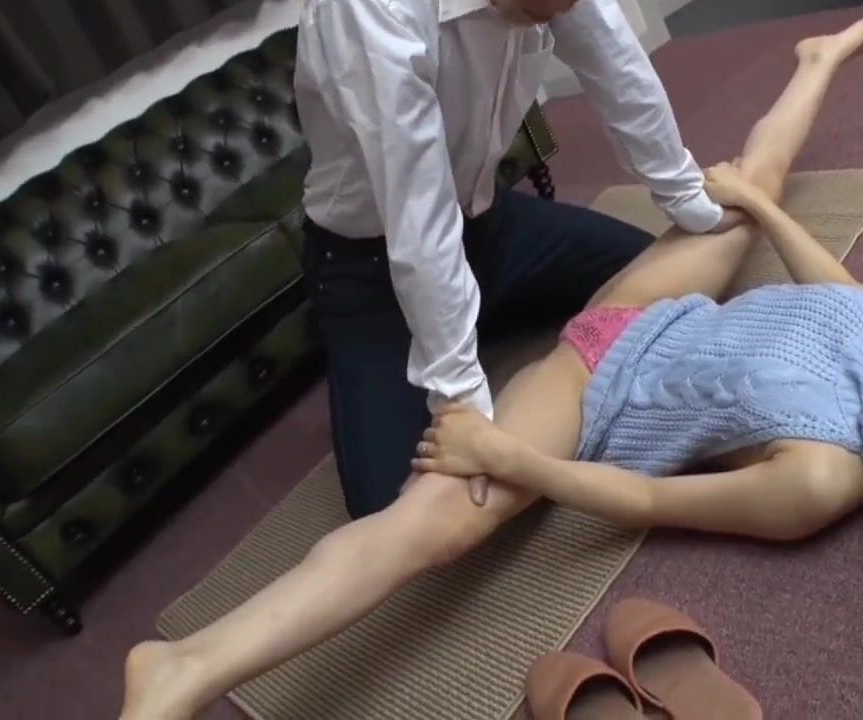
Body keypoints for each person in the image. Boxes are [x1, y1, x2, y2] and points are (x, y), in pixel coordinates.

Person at [119, 14, 863, 718]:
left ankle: (185, 667)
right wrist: (760, 210)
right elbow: (848, 301)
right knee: (745, 189)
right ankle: (817, 60)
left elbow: (641, 501)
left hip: (594, 382)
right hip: (613, 296)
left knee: (439, 521)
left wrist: (513, 462)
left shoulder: (820, 481)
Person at [295, 0, 740, 519]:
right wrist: (462, 402)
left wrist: (688, 196)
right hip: (371, 266)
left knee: (666, 275)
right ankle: (462, 329)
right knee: (397, 507)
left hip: (489, 224)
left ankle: (478, 315)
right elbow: (418, 215)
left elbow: (615, 62)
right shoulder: (370, 10)